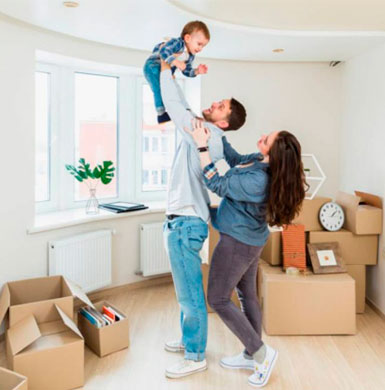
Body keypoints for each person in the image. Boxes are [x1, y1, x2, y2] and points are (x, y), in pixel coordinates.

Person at [186, 119, 307, 388]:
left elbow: (215, 183)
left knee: (217, 298)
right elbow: (236, 158)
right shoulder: (259, 161)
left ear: (273, 153)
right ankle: (250, 354)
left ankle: (262, 353)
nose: (262, 136)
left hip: (238, 243)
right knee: (246, 294)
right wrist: (219, 135)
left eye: (267, 139)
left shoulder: (258, 181)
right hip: (251, 240)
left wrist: (202, 146)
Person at [159, 59, 247, 379]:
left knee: (190, 293)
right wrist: (184, 75)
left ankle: (195, 355)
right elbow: (184, 105)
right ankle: (188, 340)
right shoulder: (212, 136)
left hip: (185, 223)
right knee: (186, 292)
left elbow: (173, 104)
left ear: (223, 122)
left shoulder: (204, 131)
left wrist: (167, 69)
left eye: (220, 105)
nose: (214, 103)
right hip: (183, 221)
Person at [144, 20, 210, 124]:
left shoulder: (190, 56)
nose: (200, 48)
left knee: (167, 89)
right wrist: (176, 62)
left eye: (203, 46)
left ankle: (168, 112)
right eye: (199, 44)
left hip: (164, 69)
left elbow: (186, 71)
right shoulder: (178, 43)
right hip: (152, 66)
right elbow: (163, 51)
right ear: (187, 38)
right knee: (158, 89)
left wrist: (197, 71)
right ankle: (161, 114)